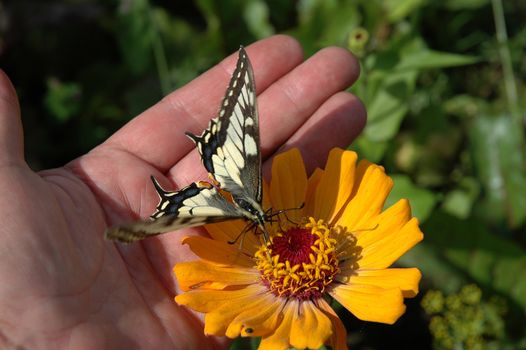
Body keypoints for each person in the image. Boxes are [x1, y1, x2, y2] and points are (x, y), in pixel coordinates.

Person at [0, 35, 365, 349]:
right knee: (242, 150)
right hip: (230, 184)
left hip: (227, 179)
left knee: (243, 154)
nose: (270, 224)